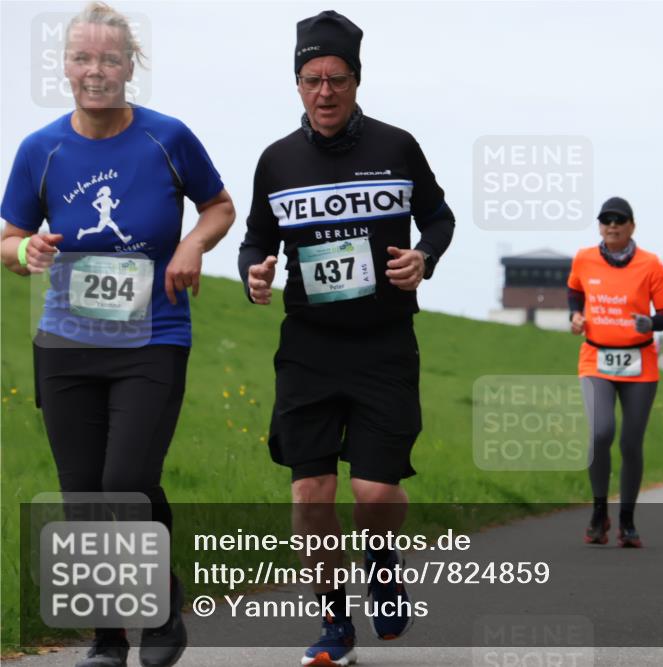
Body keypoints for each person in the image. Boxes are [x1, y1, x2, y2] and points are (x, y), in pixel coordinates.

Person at [0, 4, 235, 666]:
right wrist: (27, 254)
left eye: (109, 58)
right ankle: (107, 636)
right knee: (84, 496)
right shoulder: (39, 150)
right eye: (82, 58)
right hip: (67, 344)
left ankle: (159, 605)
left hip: (153, 335)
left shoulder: (168, 138)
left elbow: (219, 204)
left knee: (127, 479)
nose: (95, 71)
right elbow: (8, 238)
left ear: (131, 65)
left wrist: (191, 246)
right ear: (65, 66)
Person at [237, 10, 455, 666]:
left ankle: (382, 560)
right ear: (297, 84)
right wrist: (254, 268)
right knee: (310, 493)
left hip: (384, 342)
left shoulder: (397, 147)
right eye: (311, 80)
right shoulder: (277, 160)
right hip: (307, 344)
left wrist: (425, 258)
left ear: (357, 80)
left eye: (336, 78)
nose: (323, 92)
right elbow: (255, 234)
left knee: (375, 492)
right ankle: (334, 621)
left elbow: (439, 217)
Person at [568, 196, 663, 548]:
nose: (611, 226)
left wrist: (652, 322)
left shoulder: (651, 265)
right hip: (596, 358)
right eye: (605, 220)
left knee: (631, 443)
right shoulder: (584, 258)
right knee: (601, 433)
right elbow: (574, 290)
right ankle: (599, 512)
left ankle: (627, 520)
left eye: (619, 220)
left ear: (632, 225)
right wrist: (575, 315)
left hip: (639, 362)